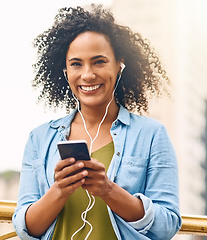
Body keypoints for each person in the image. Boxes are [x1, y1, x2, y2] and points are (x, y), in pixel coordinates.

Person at [12, 4, 181, 240]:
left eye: (99, 61)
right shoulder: (39, 138)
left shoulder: (152, 135)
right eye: (76, 64)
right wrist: (59, 190)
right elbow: (25, 229)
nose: (88, 75)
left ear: (119, 64)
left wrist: (108, 190)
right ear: (65, 71)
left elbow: (167, 225)